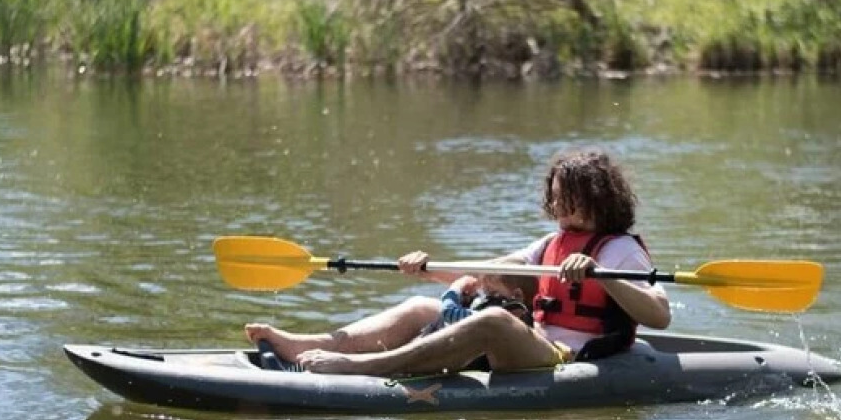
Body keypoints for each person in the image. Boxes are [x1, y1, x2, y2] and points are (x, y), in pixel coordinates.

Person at [245, 148, 671, 376]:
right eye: (556, 193)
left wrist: (604, 278)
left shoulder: (620, 250)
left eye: (568, 195)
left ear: (596, 197)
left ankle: (359, 367)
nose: (557, 202)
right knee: (421, 307)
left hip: (569, 358)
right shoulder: (551, 243)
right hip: (534, 342)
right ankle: (308, 344)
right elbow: (485, 271)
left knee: (494, 323)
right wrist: (428, 268)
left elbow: (660, 315)